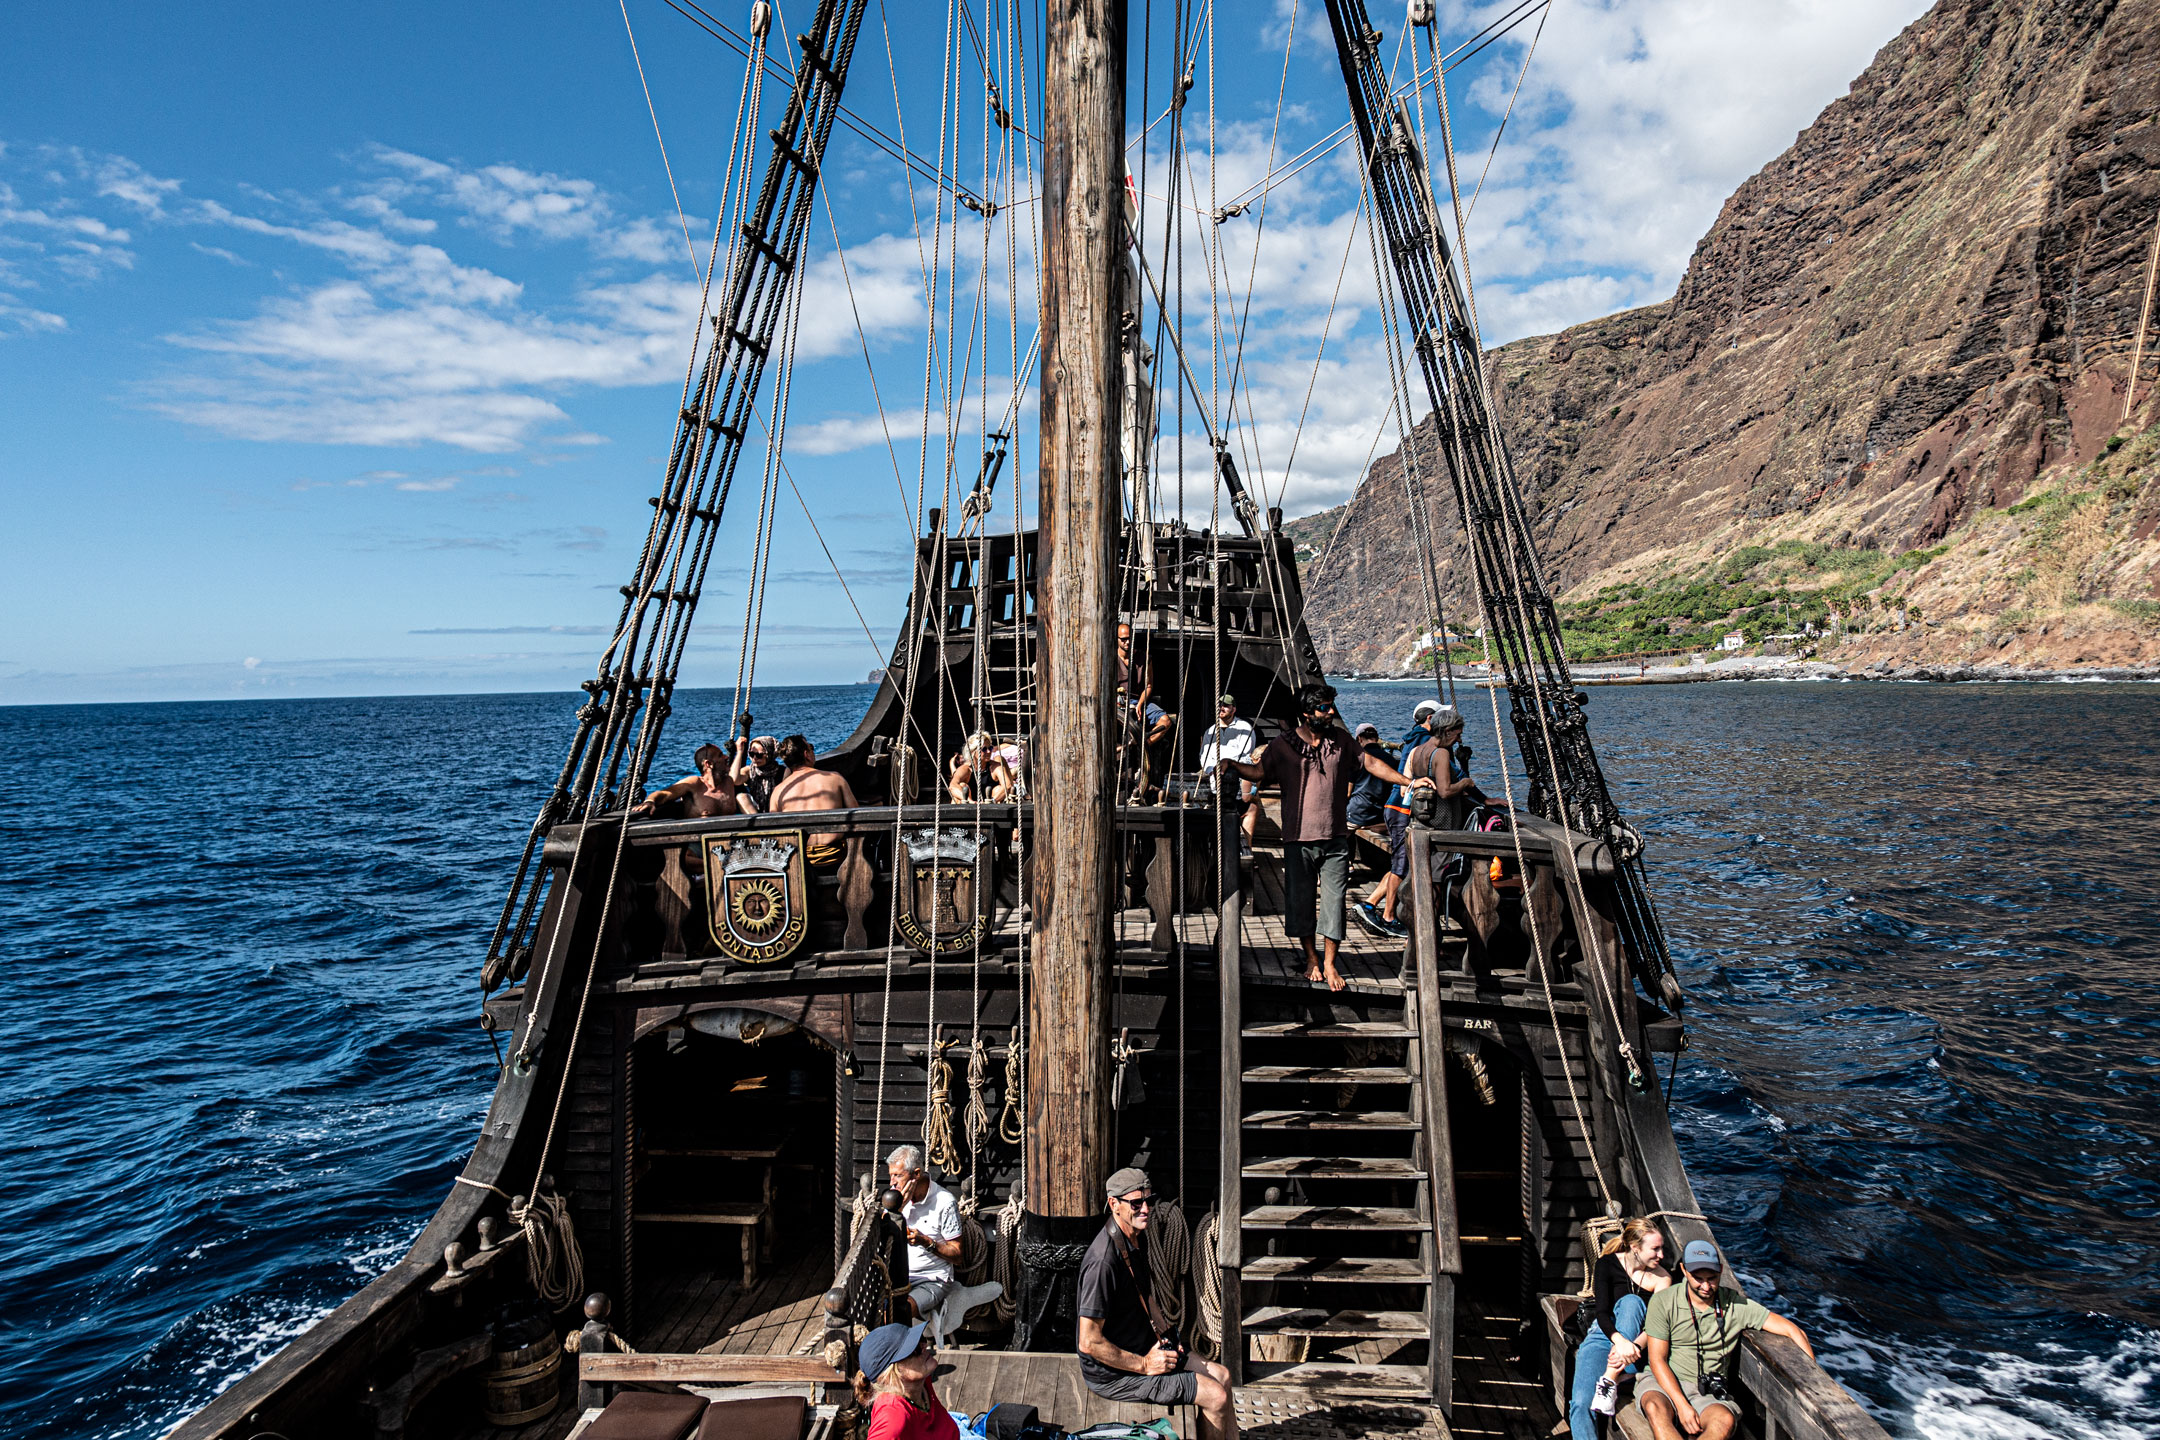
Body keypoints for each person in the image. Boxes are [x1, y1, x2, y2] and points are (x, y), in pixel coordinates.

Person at [1218, 685, 1433, 991]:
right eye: (1324, 708)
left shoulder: (1342, 741)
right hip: (1297, 838)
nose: (1331, 712)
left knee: (1334, 903)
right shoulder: (1284, 745)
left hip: (1335, 839)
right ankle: (1311, 959)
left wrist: (1409, 781)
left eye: (1331, 706)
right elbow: (1258, 772)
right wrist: (1232, 766)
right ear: (1307, 713)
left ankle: (1330, 962)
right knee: (1301, 903)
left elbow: (1370, 764)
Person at [1077, 1167, 1238, 1440]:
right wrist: (1144, 1365)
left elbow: (1144, 1293)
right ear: (1114, 1204)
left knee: (1222, 1376)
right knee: (1216, 1397)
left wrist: (1165, 1332)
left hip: (1143, 1347)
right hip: (1115, 1374)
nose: (1146, 1209)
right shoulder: (1102, 1264)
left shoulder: (1133, 1239)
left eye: (1149, 1201)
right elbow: (1088, 1342)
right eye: (1136, 1203)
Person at [1639, 1240, 1815, 1440]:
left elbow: (1794, 1331)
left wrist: (1811, 1384)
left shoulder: (1735, 1305)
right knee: (1655, 1408)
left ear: (1721, 1270)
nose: (1706, 1286)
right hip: (1665, 1383)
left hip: (1707, 1394)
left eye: (1712, 1279)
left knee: (1723, 1421)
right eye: (1698, 1278)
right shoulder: (1663, 1302)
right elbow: (1657, 1360)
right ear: (1684, 1270)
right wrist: (1682, 1405)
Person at [1568, 1219, 1674, 1440]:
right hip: (1605, 1336)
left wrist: (1633, 1345)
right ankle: (1610, 1381)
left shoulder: (1663, 1278)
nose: (1661, 1255)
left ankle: (1610, 1377)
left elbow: (1657, 1325)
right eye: (1655, 1249)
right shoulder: (1607, 1264)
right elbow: (1602, 1313)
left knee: (1633, 1303)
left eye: (1662, 1248)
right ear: (1635, 1248)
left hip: (1638, 1347)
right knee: (1579, 1404)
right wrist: (1621, 1342)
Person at [885, 1145, 962, 1323]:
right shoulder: (895, 1199)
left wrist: (925, 1241)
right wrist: (899, 1209)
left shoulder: (944, 1202)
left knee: (899, 1313)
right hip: (899, 1277)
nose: (892, 1183)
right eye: (891, 1175)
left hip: (932, 1279)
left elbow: (957, 1255)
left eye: (898, 1175)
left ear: (916, 1174)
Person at [854, 1320, 957, 1440]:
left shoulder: (921, 1384)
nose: (924, 1346)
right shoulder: (893, 1419)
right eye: (914, 1349)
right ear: (890, 1374)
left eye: (921, 1340)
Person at [768, 734, 860, 867]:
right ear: (806, 754)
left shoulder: (778, 792)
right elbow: (857, 817)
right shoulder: (835, 778)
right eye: (811, 748)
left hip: (798, 860)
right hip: (834, 855)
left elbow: (775, 832)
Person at [1197, 694, 1260, 858]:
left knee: (1248, 808)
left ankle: (1246, 850)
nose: (1221, 708)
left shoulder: (1245, 728)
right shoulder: (1211, 731)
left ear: (1234, 709)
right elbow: (1204, 756)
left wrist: (1229, 767)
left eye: (1225, 705)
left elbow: (1245, 754)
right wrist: (1212, 769)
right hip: (1215, 778)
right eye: (1219, 705)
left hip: (1236, 777)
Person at [631, 742, 739, 819]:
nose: (726, 757)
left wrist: (741, 750)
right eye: (721, 755)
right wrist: (650, 801)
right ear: (708, 764)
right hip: (698, 843)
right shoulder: (694, 783)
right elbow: (664, 794)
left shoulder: (729, 782)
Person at [1344, 723, 1393, 830]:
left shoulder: (1357, 758)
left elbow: (1347, 793)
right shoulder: (1391, 759)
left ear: (1359, 739)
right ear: (1376, 738)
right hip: (1380, 816)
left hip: (1357, 817)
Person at [730, 727, 784, 814]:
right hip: (756, 812)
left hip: (777, 811)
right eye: (751, 754)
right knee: (741, 797)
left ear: (770, 754)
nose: (754, 758)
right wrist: (740, 752)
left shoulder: (783, 771)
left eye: (759, 755)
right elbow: (734, 780)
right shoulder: (749, 770)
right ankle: (759, 824)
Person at [948, 734, 1015, 803]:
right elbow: (952, 786)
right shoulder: (966, 769)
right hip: (969, 805)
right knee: (962, 786)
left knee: (998, 789)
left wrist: (992, 801)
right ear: (973, 751)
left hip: (991, 805)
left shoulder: (995, 767)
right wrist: (970, 801)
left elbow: (1008, 785)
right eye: (984, 749)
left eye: (990, 748)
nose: (989, 752)